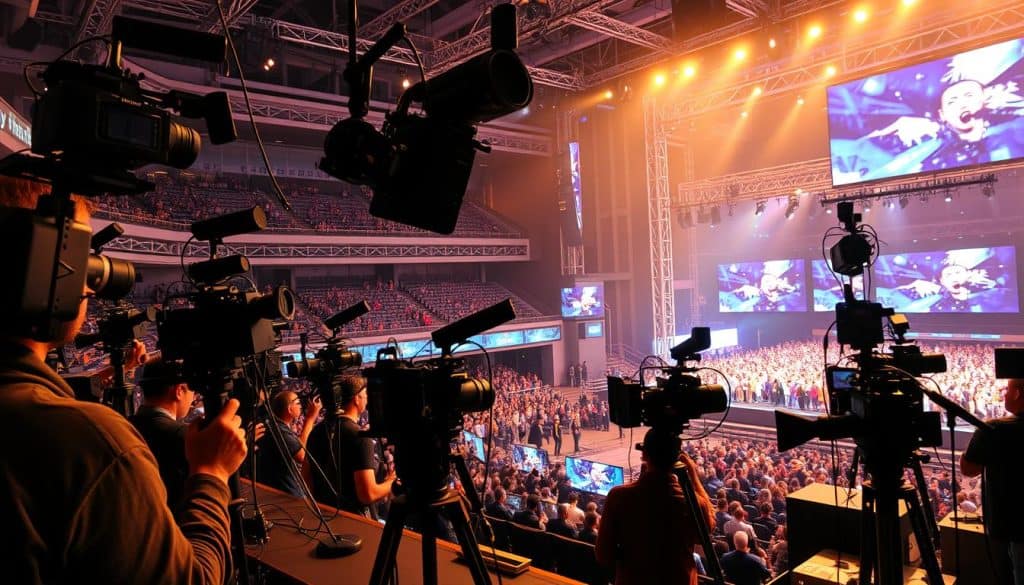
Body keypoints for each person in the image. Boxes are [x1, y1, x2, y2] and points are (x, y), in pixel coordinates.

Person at [0, 176, 247, 583]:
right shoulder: (90, 445)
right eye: (77, 255)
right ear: (44, 272)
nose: (92, 284)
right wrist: (212, 474)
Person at [596, 429, 714, 585]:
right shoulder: (694, 502)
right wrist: (691, 475)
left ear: (644, 455)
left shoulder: (618, 497)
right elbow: (705, 533)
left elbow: (603, 554)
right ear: (678, 459)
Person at [961, 377, 1024, 585]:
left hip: (1012, 525)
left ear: (1017, 393)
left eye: (1007, 388)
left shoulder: (994, 429)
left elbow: (969, 469)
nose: (1003, 393)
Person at [306, 375, 395, 517]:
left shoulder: (315, 432)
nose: (367, 400)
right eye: (365, 395)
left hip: (324, 516)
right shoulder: (361, 437)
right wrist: (391, 481)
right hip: (356, 522)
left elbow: (306, 478)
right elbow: (367, 495)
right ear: (356, 399)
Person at [130, 359, 195, 511]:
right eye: (193, 390)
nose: (193, 397)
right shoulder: (182, 436)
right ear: (179, 391)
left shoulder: (126, 426)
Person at [257, 389, 321, 497]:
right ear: (289, 409)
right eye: (297, 403)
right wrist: (310, 419)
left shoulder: (278, 426)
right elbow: (302, 455)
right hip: (287, 494)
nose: (301, 406)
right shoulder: (279, 430)